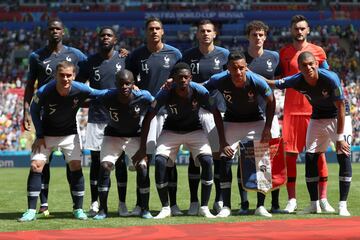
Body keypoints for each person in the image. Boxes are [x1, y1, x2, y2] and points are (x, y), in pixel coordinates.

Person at [133, 62, 228, 219]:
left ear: (190, 78)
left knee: (207, 161)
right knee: (160, 161)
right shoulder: (165, 93)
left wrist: (223, 141)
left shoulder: (200, 91)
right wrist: (143, 148)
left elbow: (216, 113)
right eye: (179, 77)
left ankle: (203, 207)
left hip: (195, 130)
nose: (183, 80)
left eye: (186, 77)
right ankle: (166, 207)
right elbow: (148, 118)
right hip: (170, 130)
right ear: (173, 79)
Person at [18, 61, 105, 222]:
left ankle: (78, 209)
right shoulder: (45, 91)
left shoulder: (80, 88)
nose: (65, 79)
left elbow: (100, 94)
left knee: (75, 166)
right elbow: (34, 110)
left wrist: (122, 90)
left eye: (68, 75)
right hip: (47, 134)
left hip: (69, 134)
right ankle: (30, 210)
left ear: (73, 76)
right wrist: (40, 135)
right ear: (55, 76)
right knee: (36, 165)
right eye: (62, 75)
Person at [267, 51, 352, 216]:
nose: (309, 67)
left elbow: (341, 107)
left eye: (311, 63)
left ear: (317, 64)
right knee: (311, 157)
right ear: (299, 68)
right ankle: (314, 204)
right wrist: (250, 75)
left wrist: (340, 137)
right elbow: (274, 83)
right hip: (318, 117)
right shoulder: (296, 79)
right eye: (304, 65)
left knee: (344, 155)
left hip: (338, 117)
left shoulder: (330, 78)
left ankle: (343, 205)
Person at [22, 18, 87, 217]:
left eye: (58, 29)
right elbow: (29, 84)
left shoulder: (75, 54)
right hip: (44, 115)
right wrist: (26, 111)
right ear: (47, 32)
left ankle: (77, 206)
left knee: (73, 162)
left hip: (68, 115)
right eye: (51, 29)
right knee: (42, 162)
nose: (55, 32)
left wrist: (120, 56)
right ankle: (43, 203)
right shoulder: (36, 56)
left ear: (63, 31)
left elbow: (92, 67)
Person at [203, 50, 275, 218]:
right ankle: (226, 206)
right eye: (234, 68)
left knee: (262, 162)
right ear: (228, 68)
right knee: (225, 159)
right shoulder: (218, 80)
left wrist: (267, 128)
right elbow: (199, 89)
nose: (238, 72)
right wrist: (222, 141)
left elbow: (271, 102)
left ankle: (260, 206)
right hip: (231, 122)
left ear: (246, 67)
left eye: (241, 68)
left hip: (255, 122)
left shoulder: (256, 81)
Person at [126, 17, 182, 216]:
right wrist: (134, 87)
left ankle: (172, 205)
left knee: (169, 161)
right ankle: (142, 205)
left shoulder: (175, 54)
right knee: (144, 160)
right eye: (151, 29)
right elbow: (128, 80)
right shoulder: (136, 55)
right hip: (146, 114)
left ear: (163, 31)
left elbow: (183, 78)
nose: (154, 32)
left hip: (169, 115)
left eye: (158, 28)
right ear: (146, 32)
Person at [278, 15, 334, 213]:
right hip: (292, 112)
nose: (299, 31)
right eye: (296, 28)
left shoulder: (318, 52)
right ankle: (292, 199)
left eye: (302, 28)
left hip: (315, 112)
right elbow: (278, 80)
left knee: (319, 156)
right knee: (290, 157)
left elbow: (329, 79)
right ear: (291, 30)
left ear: (308, 30)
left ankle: (323, 199)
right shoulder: (284, 53)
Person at [76, 26, 128, 217]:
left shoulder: (124, 59)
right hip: (97, 119)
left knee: (121, 162)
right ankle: (95, 202)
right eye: (102, 35)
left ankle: (122, 203)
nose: (105, 38)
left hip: (119, 119)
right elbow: (79, 89)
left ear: (115, 39)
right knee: (96, 162)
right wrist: (91, 101)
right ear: (98, 39)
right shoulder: (89, 62)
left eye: (109, 35)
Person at [182, 19, 229, 215]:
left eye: (209, 31)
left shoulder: (224, 55)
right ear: (197, 34)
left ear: (215, 33)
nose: (205, 34)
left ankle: (218, 199)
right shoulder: (188, 56)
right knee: (196, 159)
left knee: (217, 157)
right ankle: (194, 201)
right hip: (194, 114)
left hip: (217, 112)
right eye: (202, 31)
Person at [92, 70, 154, 220]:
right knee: (105, 166)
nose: (125, 86)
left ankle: (145, 209)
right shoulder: (107, 95)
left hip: (135, 136)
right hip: (112, 135)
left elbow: (155, 104)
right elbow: (88, 95)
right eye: (121, 83)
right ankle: (103, 210)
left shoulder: (143, 96)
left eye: (128, 83)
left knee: (143, 167)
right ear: (116, 84)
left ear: (134, 84)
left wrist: (144, 146)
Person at [242, 20, 282, 217]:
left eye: (260, 34)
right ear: (248, 37)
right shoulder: (240, 59)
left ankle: (272, 203)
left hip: (269, 115)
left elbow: (281, 82)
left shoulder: (274, 57)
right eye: (253, 35)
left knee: (270, 159)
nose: (257, 38)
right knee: (245, 161)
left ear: (265, 37)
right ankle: (244, 203)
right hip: (244, 116)